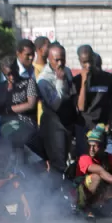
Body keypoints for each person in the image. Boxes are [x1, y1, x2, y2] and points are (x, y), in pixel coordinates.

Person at [36, 42, 78, 175]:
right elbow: (55, 104)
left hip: (69, 122)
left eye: (62, 59)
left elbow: (71, 94)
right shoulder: (44, 79)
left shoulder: (67, 71)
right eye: (57, 60)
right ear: (49, 59)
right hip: (54, 124)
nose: (60, 63)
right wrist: (59, 81)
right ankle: (55, 194)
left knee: (71, 160)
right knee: (58, 162)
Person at [73, 44, 112, 162]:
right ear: (79, 61)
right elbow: (81, 107)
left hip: (102, 127)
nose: (88, 65)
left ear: (94, 58)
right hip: (84, 127)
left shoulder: (108, 78)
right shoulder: (77, 81)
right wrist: (84, 81)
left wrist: (109, 122)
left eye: (90, 61)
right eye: (84, 62)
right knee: (86, 162)